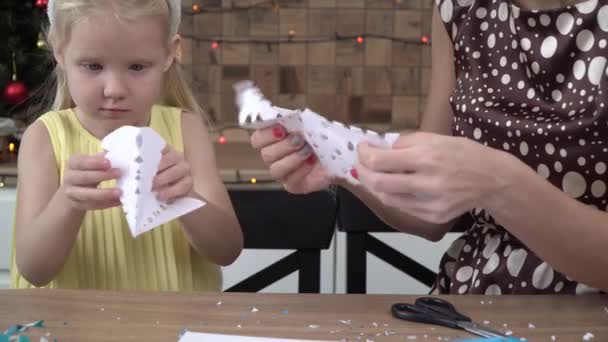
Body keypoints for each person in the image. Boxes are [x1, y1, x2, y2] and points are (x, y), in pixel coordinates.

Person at [251, 0, 608, 294]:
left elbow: (491, 180)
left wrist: (499, 183)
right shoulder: (461, 9)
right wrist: (340, 162)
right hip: (478, 303)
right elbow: (428, 214)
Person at [10, 0, 243, 291]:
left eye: (137, 67)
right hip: (73, 329)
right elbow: (34, 270)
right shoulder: (44, 138)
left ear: (171, 53)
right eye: (93, 66)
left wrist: (184, 197)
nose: (115, 90)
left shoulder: (185, 130)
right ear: (59, 50)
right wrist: (67, 203)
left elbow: (227, 251)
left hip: (175, 328)